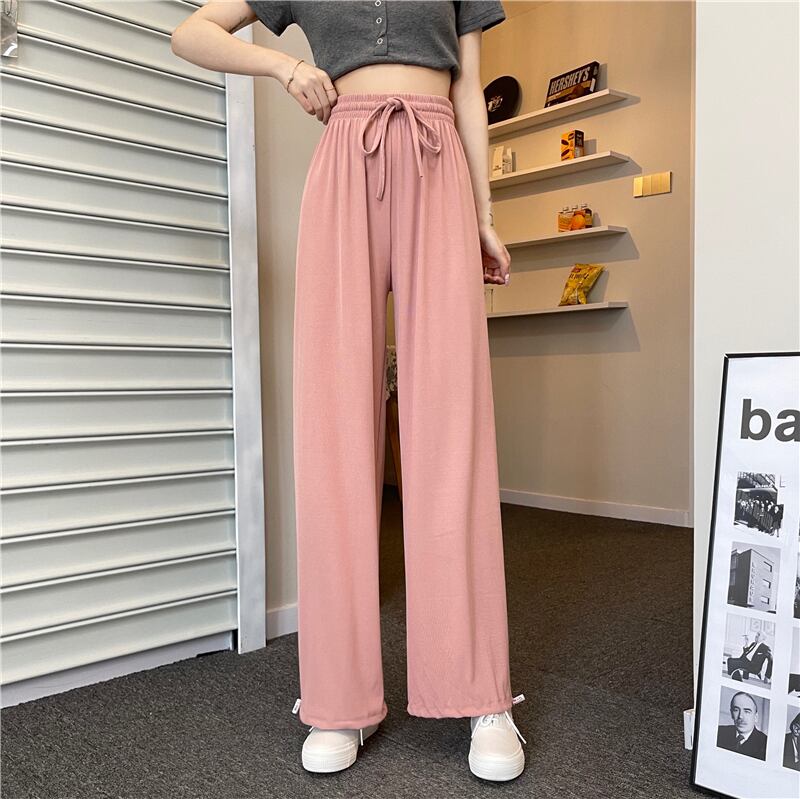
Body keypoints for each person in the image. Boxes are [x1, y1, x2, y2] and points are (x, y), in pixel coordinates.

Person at [171, 0, 525, 782]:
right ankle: (339, 698)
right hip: (344, 162)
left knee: (454, 426)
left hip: (440, 158)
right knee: (334, 432)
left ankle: (481, 693)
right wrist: (284, 66)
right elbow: (189, 32)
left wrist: (484, 212)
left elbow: (468, 85)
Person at [717, 692, 767, 760]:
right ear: (731, 714)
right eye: (736, 710)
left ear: (756, 717)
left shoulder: (765, 744)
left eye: (747, 711)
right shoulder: (719, 732)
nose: (740, 716)